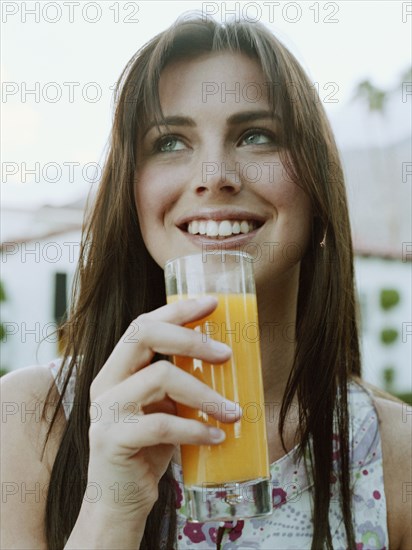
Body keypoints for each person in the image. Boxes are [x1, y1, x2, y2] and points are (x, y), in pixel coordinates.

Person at [1, 14, 410, 550]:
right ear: (133, 190)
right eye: (170, 141)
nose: (214, 174)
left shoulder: (394, 452)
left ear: (316, 186)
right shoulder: (29, 422)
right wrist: (110, 513)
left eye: (256, 135)